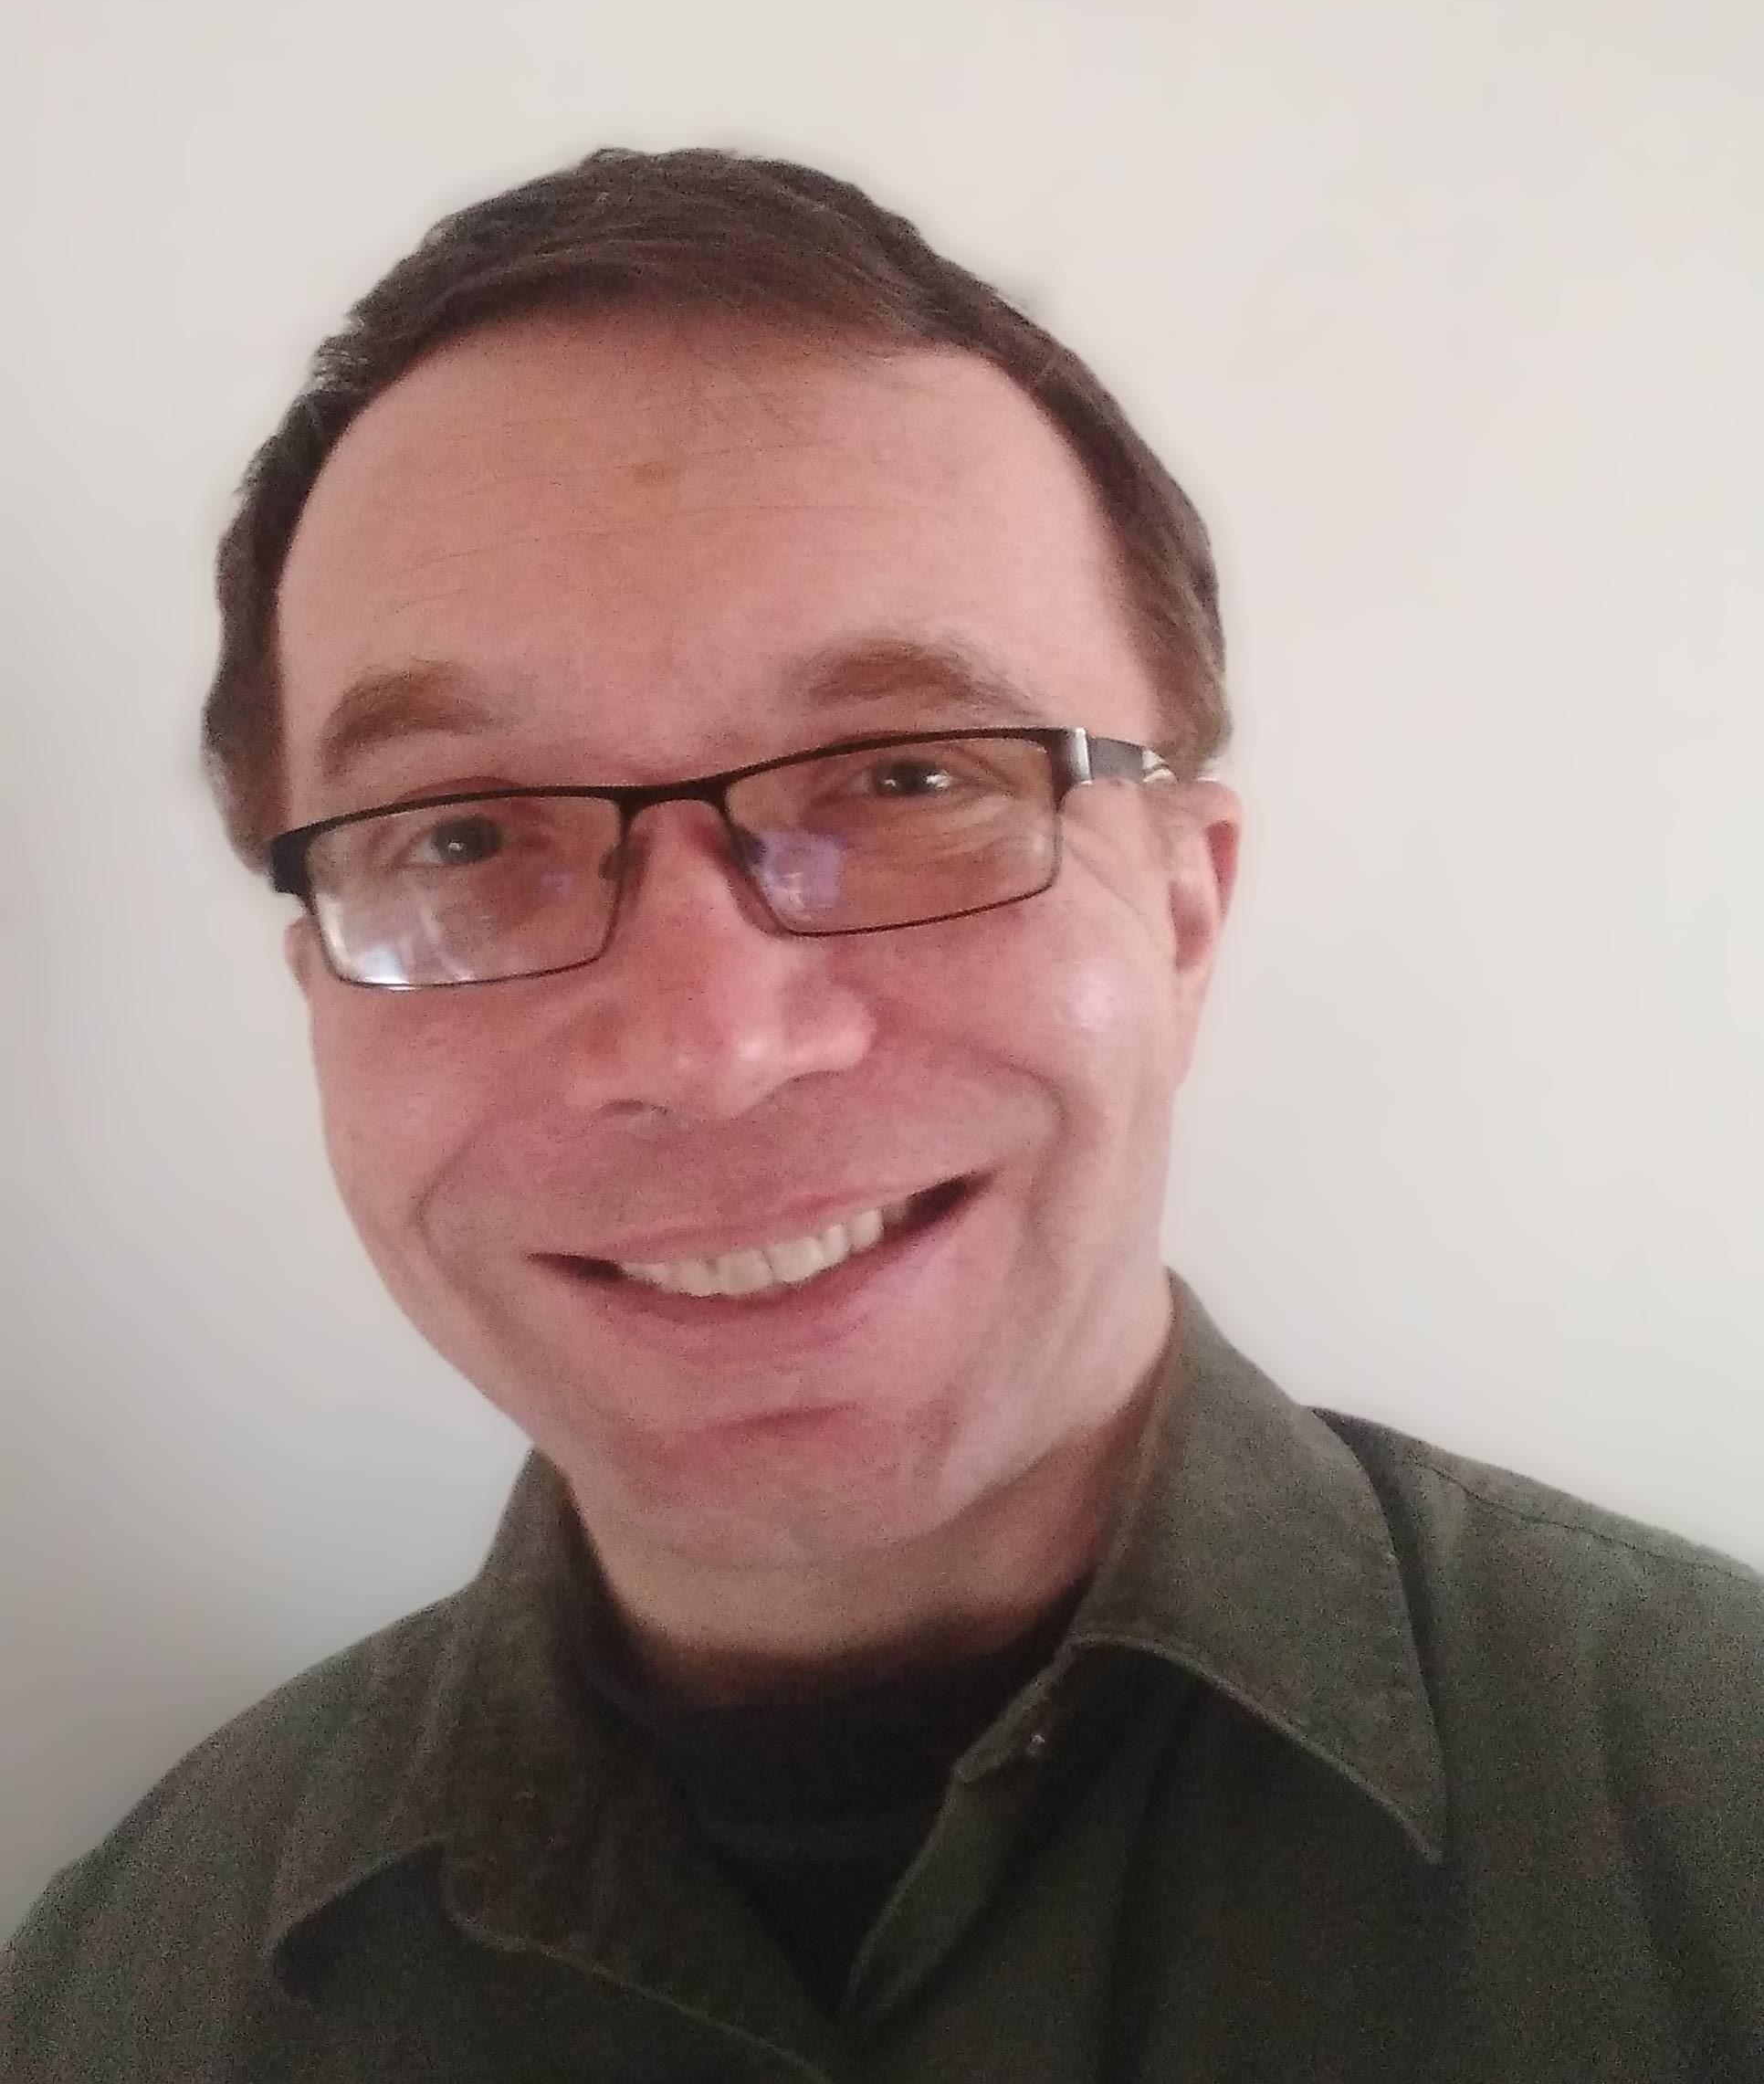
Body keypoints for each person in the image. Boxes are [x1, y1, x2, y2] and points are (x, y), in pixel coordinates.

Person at [5, 149, 1759, 2083]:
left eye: (911, 777)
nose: (710, 1044)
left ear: (1184, 919)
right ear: (319, 998)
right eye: (470, 835)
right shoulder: (114, 1995)